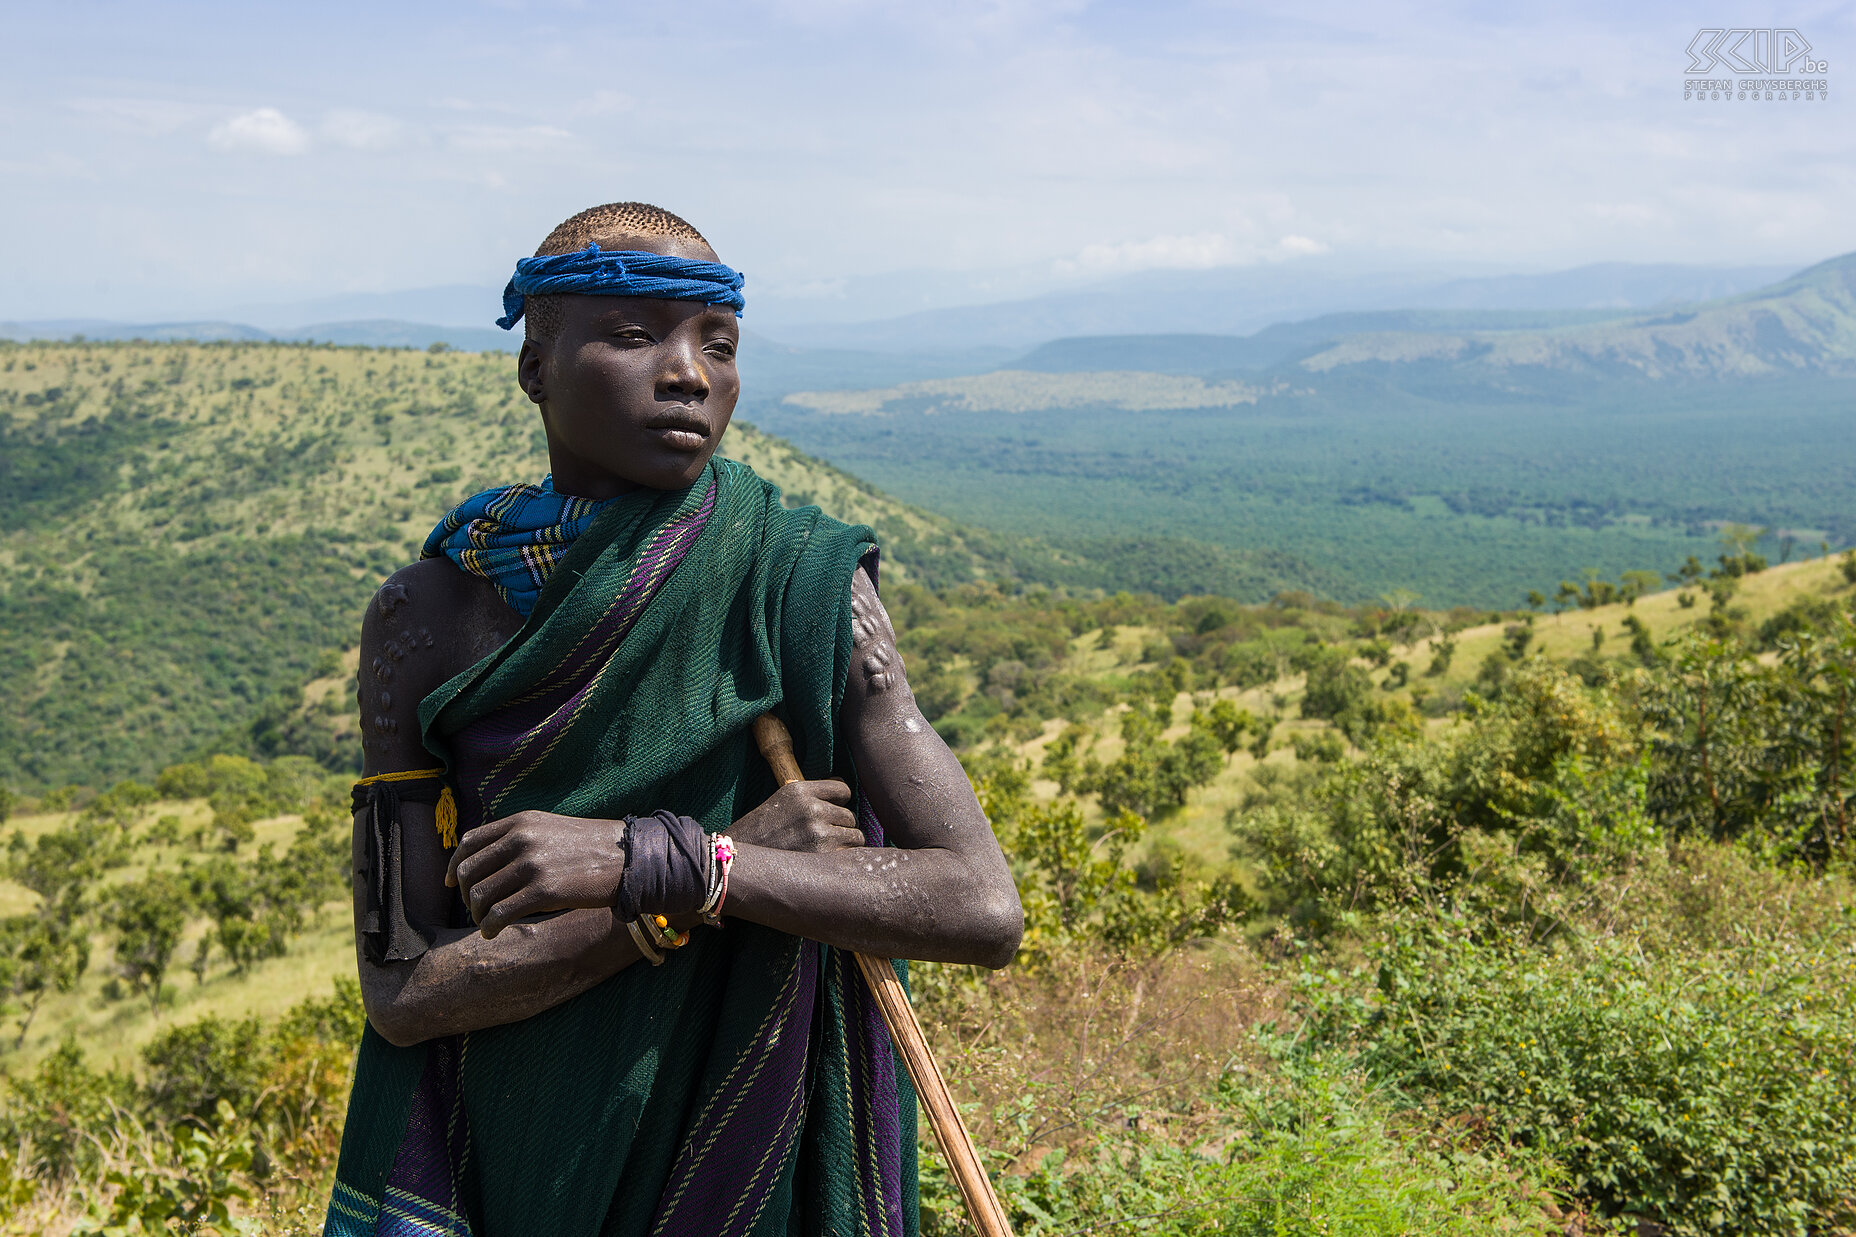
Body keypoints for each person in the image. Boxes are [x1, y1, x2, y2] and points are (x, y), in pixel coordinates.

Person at [324, 202, 1023, 1237]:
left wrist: (663, 861)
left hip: (752, 1139)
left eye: (718, 344)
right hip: (514, 1148)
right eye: (634, 334)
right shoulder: (423, 621)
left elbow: (977, 903)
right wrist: (686, 877)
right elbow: (404, 988)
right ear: (536, 366)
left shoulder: (802, 584)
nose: (689, 372)